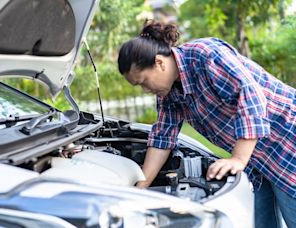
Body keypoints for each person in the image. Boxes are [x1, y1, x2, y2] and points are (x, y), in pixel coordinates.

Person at [117, 20, 296, 228]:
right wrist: (140, 187)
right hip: (256, 160)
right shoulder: (168, 94)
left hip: (286, 144)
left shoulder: (206, 55)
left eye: (143, 82)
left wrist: (238, 158)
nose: (145, 90)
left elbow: (251, 96)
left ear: (159, 63)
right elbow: (163, 138)